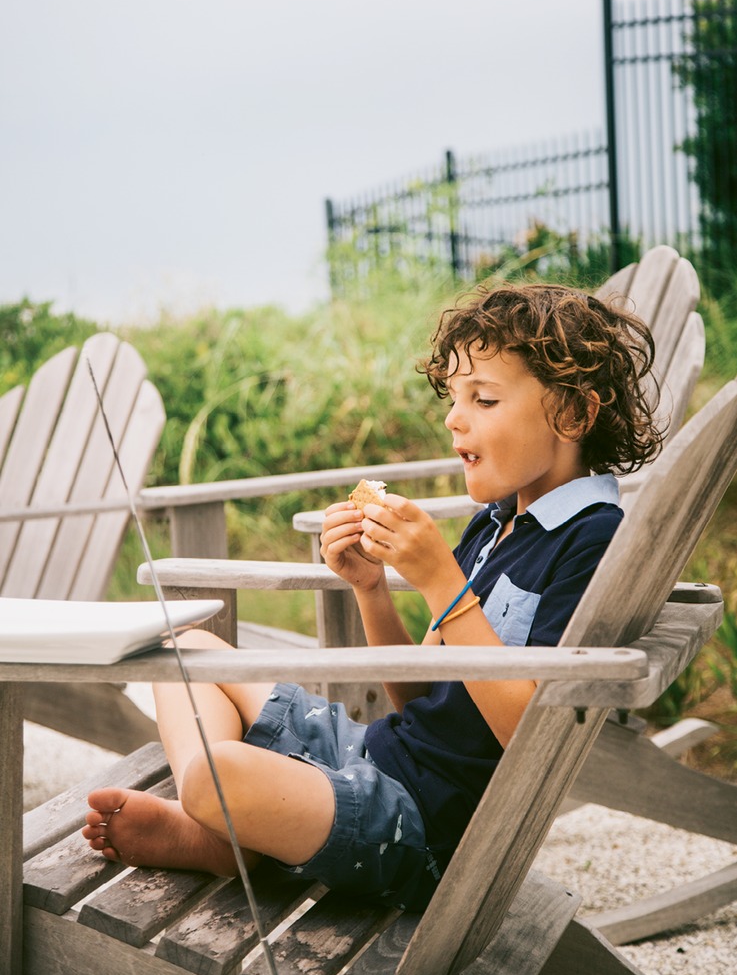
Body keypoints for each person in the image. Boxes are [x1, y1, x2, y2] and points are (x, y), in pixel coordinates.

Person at [82, 282, 664, 911]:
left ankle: (224, 827)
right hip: (373, 755)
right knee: (186, 650)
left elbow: (535, 738)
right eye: (454, 397)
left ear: (573, 416)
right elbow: (417, 697)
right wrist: (370, 590)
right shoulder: (495, 524)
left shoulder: (591, 539)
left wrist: (443, 581)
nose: (453, 418)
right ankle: (227, 824)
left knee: (222, 771)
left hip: (420, 824)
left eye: (485, 398)